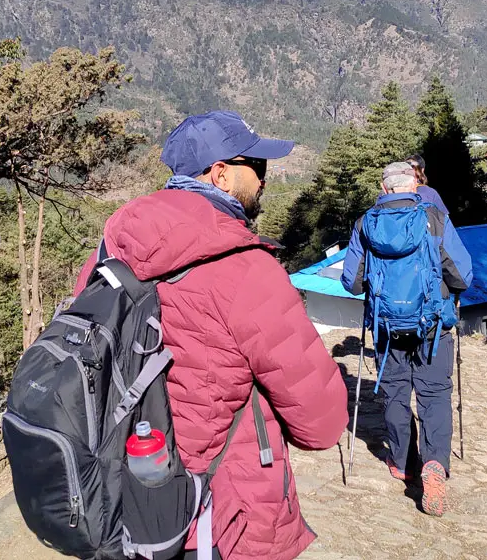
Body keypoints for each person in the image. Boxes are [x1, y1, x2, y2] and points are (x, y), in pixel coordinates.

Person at [72, 110, 348, 560]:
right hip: (221, 513)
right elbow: (321, 424)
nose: (263, 179)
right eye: (255, 167)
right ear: (219, 174)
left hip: (128, 489)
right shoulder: (246, 268)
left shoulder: (111, 247)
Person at [340, 161, 472, 517]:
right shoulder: (434, 218)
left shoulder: (366, 223)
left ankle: (403, 463)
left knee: (396, 391)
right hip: (432, 327)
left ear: (384, 189)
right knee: (434, 394)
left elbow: (351, 281)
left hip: (387, 326)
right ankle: (434, 465)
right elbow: (464, 274)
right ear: (414, 185)